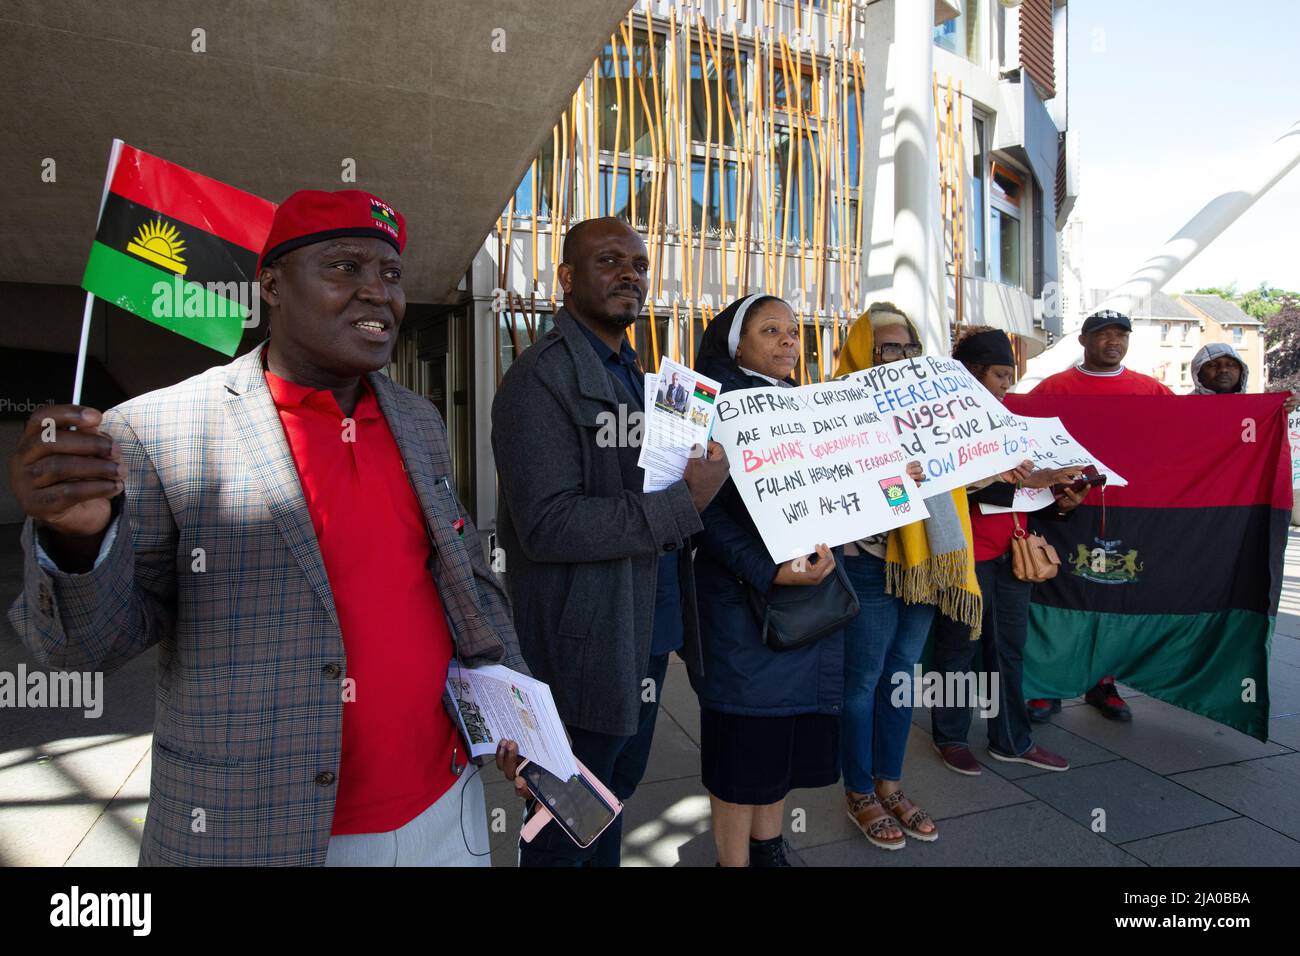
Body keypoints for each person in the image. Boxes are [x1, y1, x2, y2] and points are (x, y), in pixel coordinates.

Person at [8, 189, 527, 866]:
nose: (378, 293)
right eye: (344, 268)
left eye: (391, 274)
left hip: (448, 808)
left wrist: (520, 715)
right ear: (273, 285)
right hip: (265, 834)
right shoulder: (156, 430)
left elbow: (463, 582)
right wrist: (77, 543)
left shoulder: (419, 421)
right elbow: (84, 650)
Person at [491, 217, 730, 866]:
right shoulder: (538, 380)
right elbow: (548, 525)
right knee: (564, 815)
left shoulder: (639, 376)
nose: (631, 274)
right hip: (585, 642)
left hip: (647, 628)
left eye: (640, 263)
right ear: (567, 279)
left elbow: (644, 495)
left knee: (613, 795)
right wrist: (688, 500)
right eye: (608, 261)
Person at [690, 293, 846, 867]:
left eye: (794, 330)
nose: (788, 341)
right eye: (770, 330)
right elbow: (696, 513)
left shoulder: (804, 406)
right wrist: (766, 570)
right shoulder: (709, 408)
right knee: (743, 745)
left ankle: (769, 849)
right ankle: (732, 862)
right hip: (740, 608)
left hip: (804, 602)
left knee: (781, 738)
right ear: (736, 344)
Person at [831, 301, 984, 850]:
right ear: (862, 351)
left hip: (923, 564)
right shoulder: (836, 407)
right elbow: (832, 490)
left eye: (910, 346)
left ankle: (890, 785)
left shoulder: (934, 405)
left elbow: (964, 465)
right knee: (863, 683)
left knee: (901, 678)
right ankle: (858, 792)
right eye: (889, 346)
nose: (902, 356)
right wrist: (883, 474)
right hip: (868, 565)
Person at [931, 327, 1084, 775]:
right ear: (971, 373)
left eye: (1009, 374)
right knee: (957, 648)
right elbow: (955, 490)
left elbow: (1028, 492)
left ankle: (1011, 739)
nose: (1006, 384)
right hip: (965, 555)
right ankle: (951, 736)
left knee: (1008, 649)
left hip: (1014, 552)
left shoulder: (1013, 420)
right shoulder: (945, 423)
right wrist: (1032, 481)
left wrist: (1060, 497)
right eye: (1000, 374)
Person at [1028, 308, 1172, 722]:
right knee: (1055, 594)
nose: (1113, 341)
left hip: (1126, 514)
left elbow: (1195, 430)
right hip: (1064, 512)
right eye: (1103, 334)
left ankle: (1102, 682)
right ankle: (1045, 684)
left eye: (1120, 334)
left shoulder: (1151, 390)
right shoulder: (1052, 389)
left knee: (1113, 595)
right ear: (1084, 341)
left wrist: (1269, 409)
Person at [1190, 342, 1299, 411]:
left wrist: (1288, 406)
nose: (1223, 370)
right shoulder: (1183, 409)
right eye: (1213, 365)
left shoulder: (1257, 409)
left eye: (1231, 365)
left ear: (1242, 372)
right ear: (1198, 373)